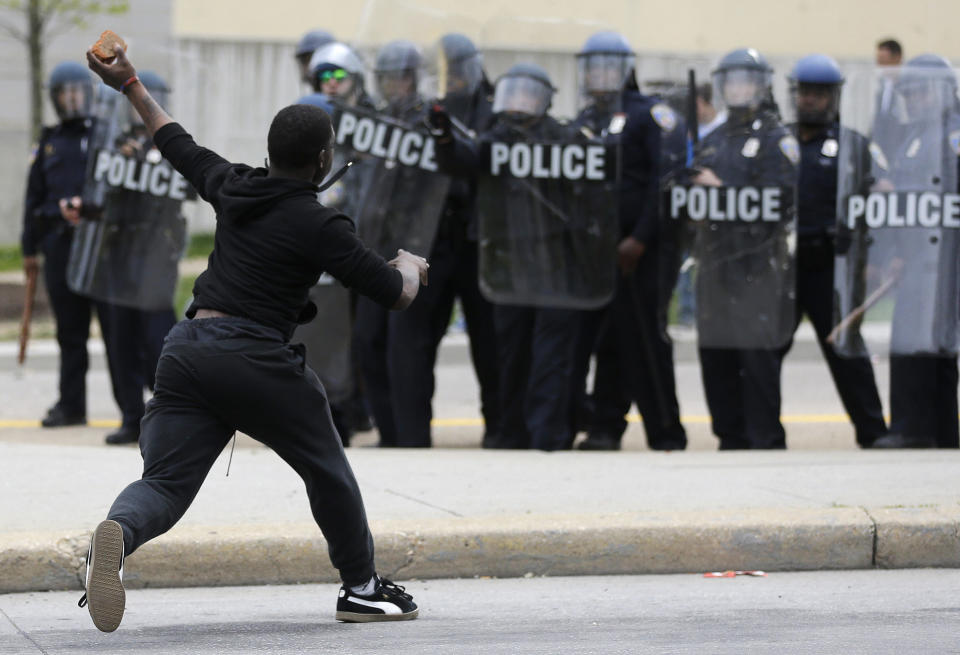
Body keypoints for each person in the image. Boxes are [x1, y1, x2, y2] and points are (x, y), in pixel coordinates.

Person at [79, 45, 426, 632]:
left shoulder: (231, 185)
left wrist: (130, 82)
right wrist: (411, 264)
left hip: (187, 350)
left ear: (269, 153)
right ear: (323, 160)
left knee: (163, 483)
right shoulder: (321, 223)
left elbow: (174, 141)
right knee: (326, 466)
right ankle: (362, 588)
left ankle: (117, 535)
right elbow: (394, 293)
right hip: (254, 357)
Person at [571, 31, 687, 452]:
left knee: (645, 339)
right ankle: (605, 426)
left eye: (606, 66)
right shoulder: (586, 120)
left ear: (624, 69)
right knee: (607, 341)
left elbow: (665, 181)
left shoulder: (649, 115)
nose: (598, 75)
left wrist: (638, 239)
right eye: (591, 66)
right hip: (598, 255)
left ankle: (666, 432)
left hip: (643, 252)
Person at [389, 32, 501, 448]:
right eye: (443, 69)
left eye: (456, 67)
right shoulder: (418, 112)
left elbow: (485, 158)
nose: (451, 77)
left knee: (490, 341)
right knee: (413, 339)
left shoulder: (491, 109)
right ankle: (410, 436)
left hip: (477, 239)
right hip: (429, 239)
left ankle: (502, 430)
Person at [687, 48, 799, 449]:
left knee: (756, 358)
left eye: (746, 80)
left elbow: (781, 201)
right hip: (714, 261)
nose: (738, 89)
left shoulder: (775, 138)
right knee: (715, 354)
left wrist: (722, 193)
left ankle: (765, 437)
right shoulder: (712, 139)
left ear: (761, 85)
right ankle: (729, 436)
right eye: (730, 81)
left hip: (757, 264)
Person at [781, 54, 888, 448]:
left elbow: (884, 198)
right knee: (767, 348)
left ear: (833, 97)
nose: (810, 100)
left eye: (819, 94)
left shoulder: (854, 145)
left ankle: (874, 431)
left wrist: (871, 257)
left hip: (831, 266)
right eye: (804, 92)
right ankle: (761, 432)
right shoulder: (780, 140)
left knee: (846, 349)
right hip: (785, 267)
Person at [20, 61, 126, 430]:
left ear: (88, 94)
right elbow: (33, 199)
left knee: (114, 329)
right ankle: (71, 405)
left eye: (77, 91)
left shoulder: (106, 135)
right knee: (70, 331)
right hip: (60, 247)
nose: (72, 99)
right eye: (64, 93)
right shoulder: (48, 142)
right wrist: (29, 248)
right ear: (55, 98)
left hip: (100, 248)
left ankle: (131, 411)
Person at [869, 54, 960, 449]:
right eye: (910, 93)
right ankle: (928, 428)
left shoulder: (953, 136)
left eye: (922, 91)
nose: (916, 99)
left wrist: (898, 193)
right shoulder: (914, 136)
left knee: (929, 344)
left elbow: (943, 194)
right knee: (913, 341)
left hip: (943, 264)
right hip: (915, 262)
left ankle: (918, 428)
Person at [352, 39, 437, 447]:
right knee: (368, 342)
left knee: (404, 351)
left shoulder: (425, 123)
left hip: (411, 249)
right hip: (377, 249)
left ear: (412, 77)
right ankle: (388, 432)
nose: (390, 84)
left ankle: (412, 435)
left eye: (396, 76)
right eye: (384, 77)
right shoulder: (380, 122)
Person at [94, 70, 181, 445]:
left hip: (156, 254)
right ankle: (131, 416)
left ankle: (171, 415)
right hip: (119, 252)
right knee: (119, 337)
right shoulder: (114, 146)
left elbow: (176, 191)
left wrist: (146, 158)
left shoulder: (171, 145)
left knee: (157, 337)